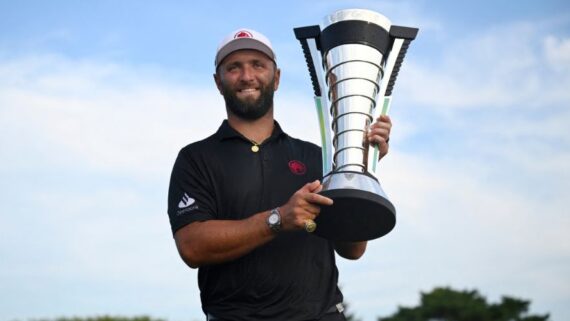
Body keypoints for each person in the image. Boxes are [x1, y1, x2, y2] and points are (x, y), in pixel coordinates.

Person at [167, 28, 392, 321]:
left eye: (258, 65)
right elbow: (192, 247)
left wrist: (360, 168)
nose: (247, 76)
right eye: (234, 67)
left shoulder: (318, 158)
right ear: (218, 83)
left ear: (277, 78)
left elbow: (353, 248)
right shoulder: (196, 158)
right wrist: (278, 219)